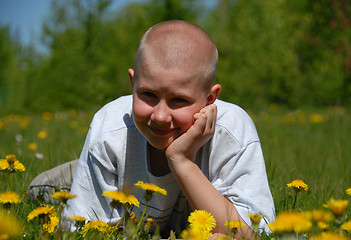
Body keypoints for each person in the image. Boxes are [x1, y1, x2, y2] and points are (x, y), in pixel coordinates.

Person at [61, 20, 275, 238]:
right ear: (132, 84)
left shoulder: (231, 130)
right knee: (52, 189)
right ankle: (60, 179)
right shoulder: (110, 130)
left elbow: (252, 235)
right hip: (110, 174)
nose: (160, 116)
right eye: (148, 95)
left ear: (210, 99)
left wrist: (182, 160)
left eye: (179, 100)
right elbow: (80, 231)